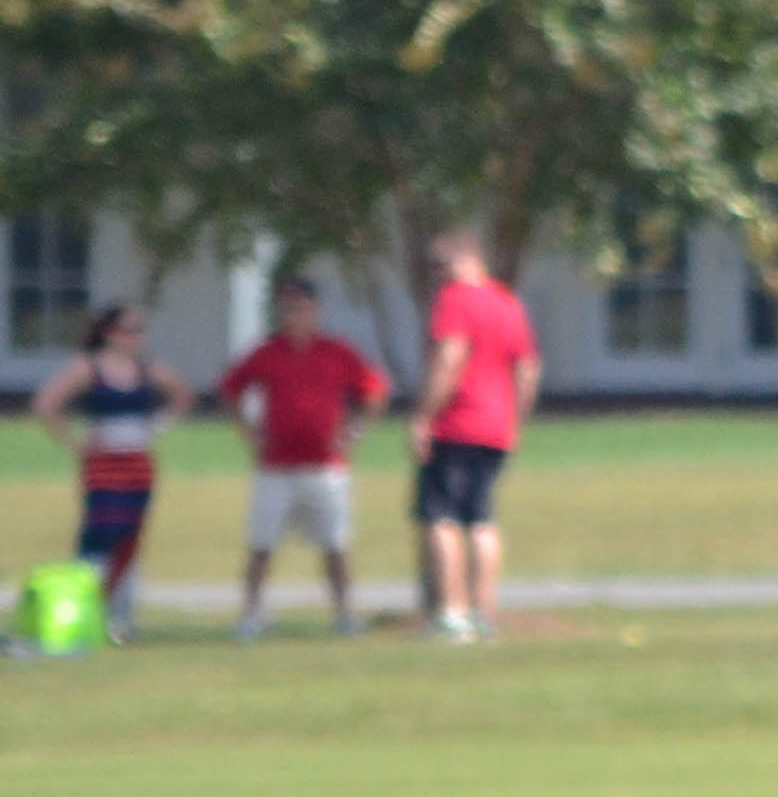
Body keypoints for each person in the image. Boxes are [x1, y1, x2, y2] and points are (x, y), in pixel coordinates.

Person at [216, 271, 392, 638]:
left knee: (335, 545)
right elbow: (231, 388)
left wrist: (354, 430)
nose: (294, 316)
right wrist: (248, 431)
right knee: (261, 545)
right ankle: (252, 615)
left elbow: (374, 389)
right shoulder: (267, 353)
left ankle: (345, 614)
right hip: (276, 466)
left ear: (315, 310)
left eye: (301, 308)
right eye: (288, 308)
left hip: (326, 466)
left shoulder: (337, 351)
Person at [29, 303, 199, 642]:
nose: (136, 337)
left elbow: (183, 395)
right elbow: (47, 404)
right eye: (129, 330)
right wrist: (74, 442)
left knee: (130, 537)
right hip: (103, 462)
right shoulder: (89, 367)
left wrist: (158, 426)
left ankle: (121, 617)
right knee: (99, 533)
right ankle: (82, 610)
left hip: (138, 462)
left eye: (139, 330)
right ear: (110, 333)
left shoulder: (146, 369)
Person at [410, 226, 542, 643]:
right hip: (495, 426)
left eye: (441, 264)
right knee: (483, 520)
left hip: (457, 423)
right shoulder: (507, 302)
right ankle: (485, 612)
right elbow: (527, 369)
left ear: (466, 258)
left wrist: (425, 415)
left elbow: (450, 356)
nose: (437, 274)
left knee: (441, 518)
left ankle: (452, 612)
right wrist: (515, 419)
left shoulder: (455, 299)